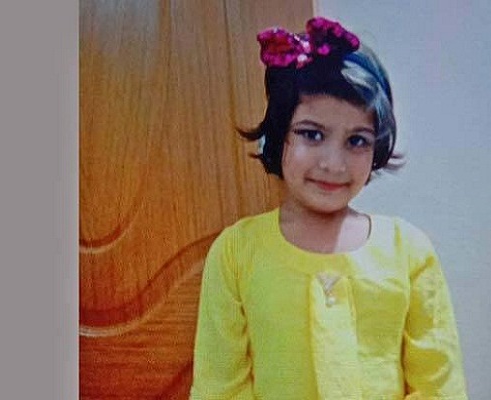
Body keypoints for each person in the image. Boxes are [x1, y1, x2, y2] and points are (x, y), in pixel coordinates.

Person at [190, 16, 468, 400]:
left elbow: (439, 386)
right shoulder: (236, 252)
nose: (333, 164)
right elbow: (220, 388)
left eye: (357, 141)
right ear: (279, 135)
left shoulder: (409, 251)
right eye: (312, 134)